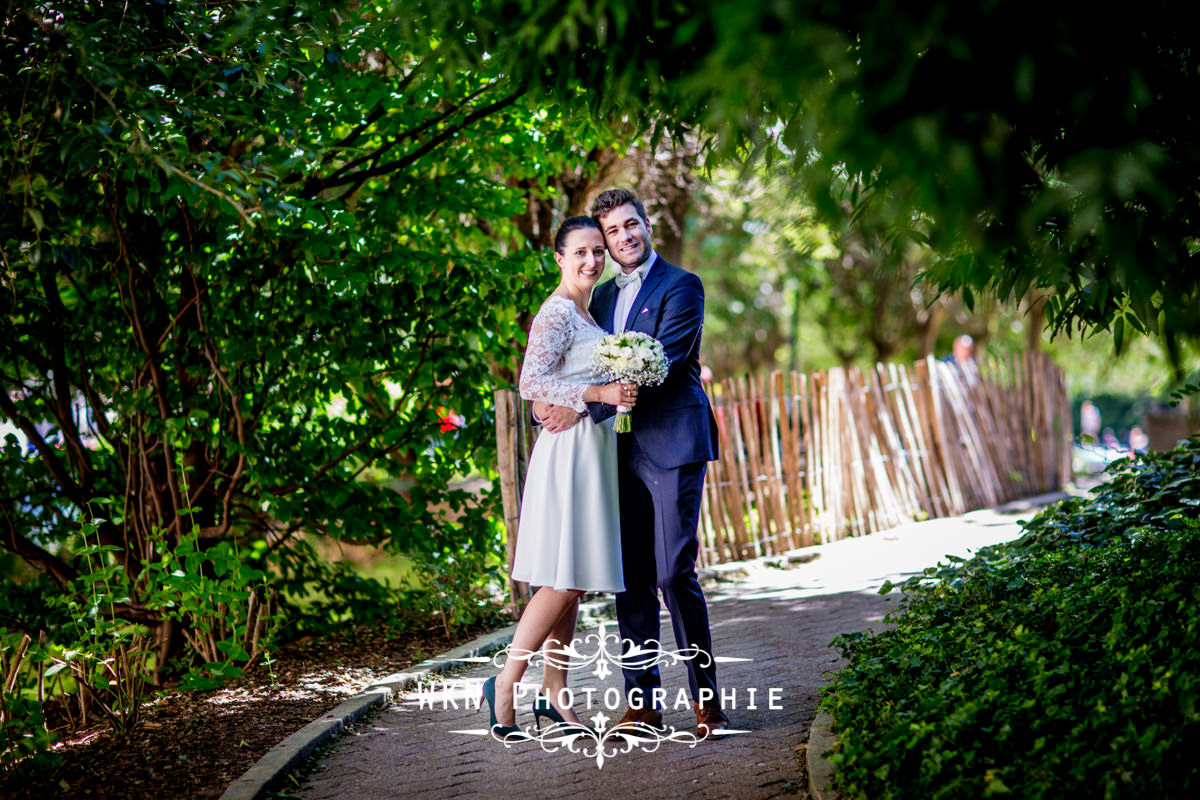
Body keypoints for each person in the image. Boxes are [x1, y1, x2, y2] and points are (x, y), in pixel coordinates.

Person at [535, 188, 728, 736]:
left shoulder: (683, 286)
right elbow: (570, 372)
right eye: (611, 232)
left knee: (673, 571)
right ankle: (642, 704)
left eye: (629, 225)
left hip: (671, 443)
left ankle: (707, 701)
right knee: (632, 579)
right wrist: (558, 407)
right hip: (611, 449)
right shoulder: (592, 300)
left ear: (646, 225)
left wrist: (594, 395)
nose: (622, 238)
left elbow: (662, 363)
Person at [481, 216, 636, 737]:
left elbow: (564, 381)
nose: (593, 261)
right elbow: (531, 382)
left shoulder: (586, 313)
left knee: (571, 581)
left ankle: (555, 695)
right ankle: (505, 682)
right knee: (563, 580)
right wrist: (597, 395)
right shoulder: (555, 313)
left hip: (591, 451)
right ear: (559, 258)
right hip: (568, 453)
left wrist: (609, 390)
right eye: (581, 253)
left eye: (599, 251)